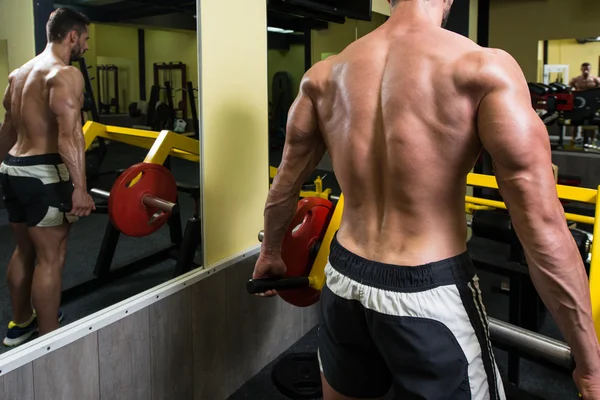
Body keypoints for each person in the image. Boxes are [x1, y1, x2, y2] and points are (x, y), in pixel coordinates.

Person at [252, 0, 600, 399]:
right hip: (429, 290)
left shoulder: (323, 76)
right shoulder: (482, 68)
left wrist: (271, 253)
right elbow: (541, 223)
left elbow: (286, 183)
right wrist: (589, 364)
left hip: (343, 278)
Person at [0, 7, 95, 347]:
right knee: (51, 257)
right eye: (84, 39)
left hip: (13, 170)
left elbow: (8, 129)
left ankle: (21, 322)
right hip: (43, 174)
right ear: (72, 36)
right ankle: (48, 342)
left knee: (24, 250)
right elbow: (71, 135)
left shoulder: (19, 74)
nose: (85, 45)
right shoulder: (64, 74)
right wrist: (81, 189)